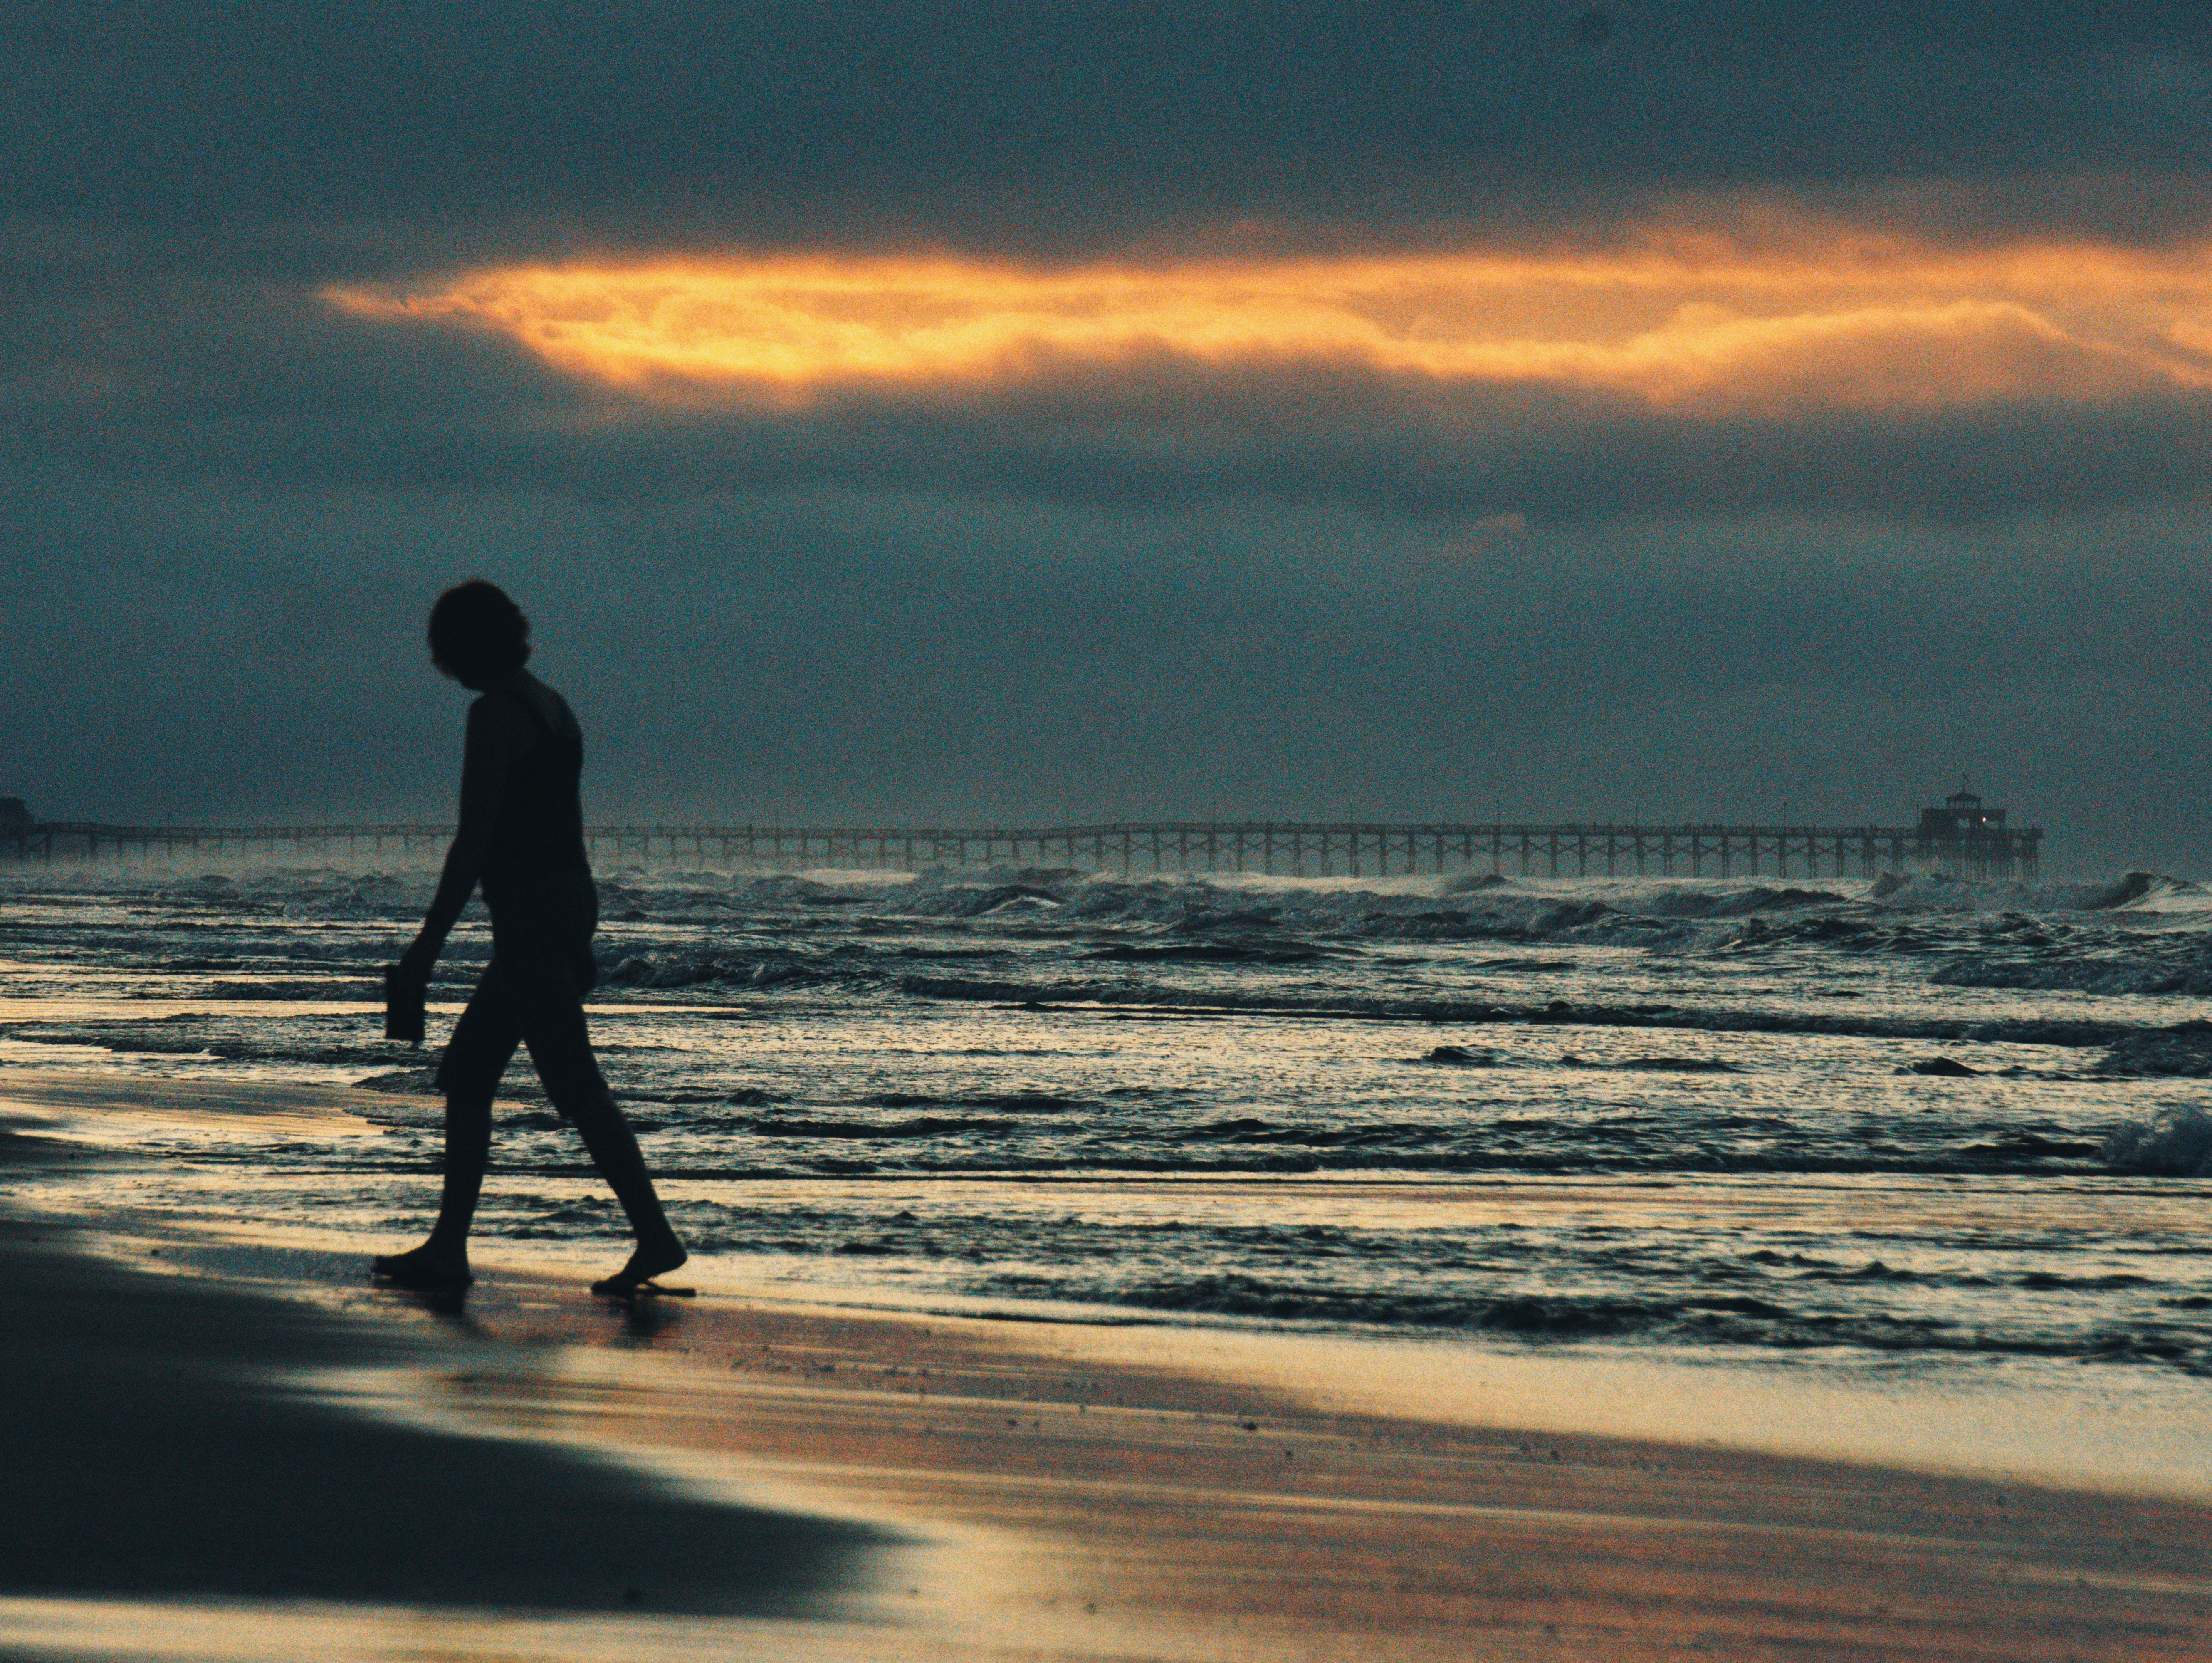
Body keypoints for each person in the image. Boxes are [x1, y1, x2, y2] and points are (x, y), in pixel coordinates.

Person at [371, 580, 687, 1297]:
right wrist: (581, 932)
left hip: (530, 915)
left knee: (575, 1086)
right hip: (565, 901)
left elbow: (474, 843)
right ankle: (449, 1246)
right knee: (469, 1075)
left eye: (447, 652)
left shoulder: (494, 716)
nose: (446, 668)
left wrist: (425, 951)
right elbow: (566, 832)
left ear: (470, 646)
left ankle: (657, 1236)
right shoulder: (557, 710)